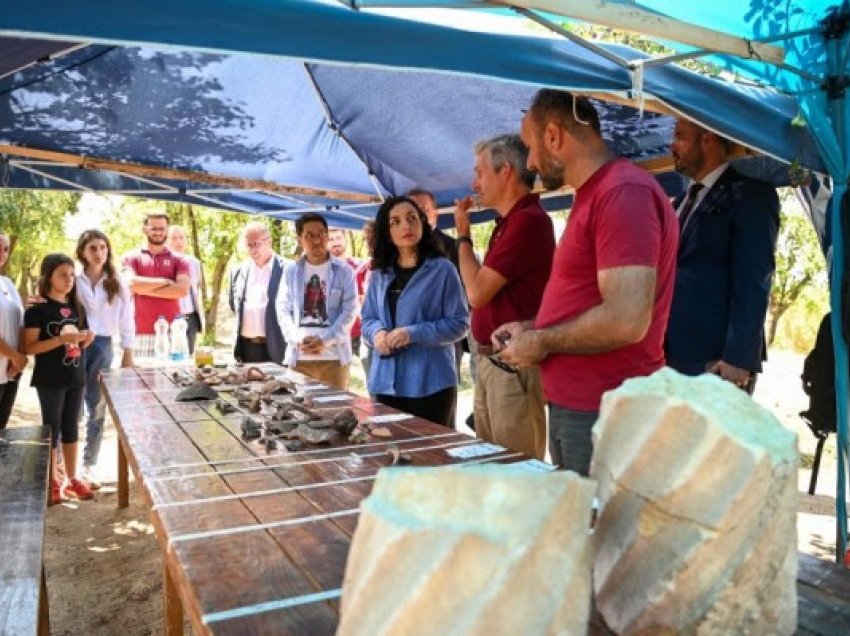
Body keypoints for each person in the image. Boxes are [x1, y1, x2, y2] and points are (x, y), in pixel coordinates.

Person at [495, 89, 678, 476]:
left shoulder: (622, 192)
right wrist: (533, 328)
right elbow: (587, 303)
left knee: (601, 534)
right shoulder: (596, 195)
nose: (528, 161)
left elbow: (627, 318)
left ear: (554, 136)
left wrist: (542, 341)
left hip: (604, 411)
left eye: (528, 147)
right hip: (582, 409)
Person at [453, 134, 554, 459]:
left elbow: (477, 292)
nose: (475, 182)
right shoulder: (510, 222)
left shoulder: (528, 221)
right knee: (492, 464)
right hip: (492, 363)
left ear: (506, 171)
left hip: (511, 365)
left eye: (480, 172)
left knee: (516, 468)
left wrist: (464, 236)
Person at [665, 118, 780, 393]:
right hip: (671, 356)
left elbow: (755, 277)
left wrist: (738, 356)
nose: (672, 145)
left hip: (716, 361)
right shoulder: (678, 204)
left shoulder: (750, 194)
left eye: (680, 136)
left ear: (707, 140)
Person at [362, 196, 469, 426]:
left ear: (423, 223)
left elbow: (460, 324)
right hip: (385, 381)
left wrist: (413, 333)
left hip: (430, 382)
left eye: (412, 218)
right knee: (390, 453)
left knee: (429, 457)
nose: (406, 226)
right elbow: (368, 319)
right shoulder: (379, 273)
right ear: (386, 231)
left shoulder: (443, 269)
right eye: (396, 221)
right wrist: (377, 333)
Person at [24, 253, 96, 503]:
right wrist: (58, 340)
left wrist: (86, 338)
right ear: (48, 277)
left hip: (75, 375)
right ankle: (52, 482)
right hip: (49, 378)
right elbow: (30, 347)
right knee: (51, 429)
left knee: (71, 427)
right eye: (62, 275)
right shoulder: (37, 310)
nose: (68, 280)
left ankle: (72, 478)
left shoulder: (77, 307)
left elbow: (80, 343)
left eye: (71, 275)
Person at [75, 229, 135, 488]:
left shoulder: (117, 282)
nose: (99, 253)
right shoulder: (74, 280)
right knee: (72, 407)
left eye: (103, 247)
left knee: (97, 407)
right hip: (76, 345)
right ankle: (65, 468)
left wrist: (128, 353)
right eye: (93, 249)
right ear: (82, 253)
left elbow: (127, 319)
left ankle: (90, 465)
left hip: (103, 347)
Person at [276, 212, 357, 390]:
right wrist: (296, 338)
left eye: (321, 234)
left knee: (334, 412)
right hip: (299, 357)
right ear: (300, 240)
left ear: (327, 236)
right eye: (310, 235)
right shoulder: (291, 271)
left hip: (334, 358)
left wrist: (325, 340)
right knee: (298, 411)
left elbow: (350, 310)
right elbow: (282, 309)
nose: (317, 240)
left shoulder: (344, 271)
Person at [121, 212, 190, 358]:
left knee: (174, 379)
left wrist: (142, 289)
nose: (158, 232)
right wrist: (165, 282)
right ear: (145, 229)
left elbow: (182, 290)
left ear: (167, 229)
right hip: (140, 332)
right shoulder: (132, 257)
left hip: (173, 332)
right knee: (140, 380)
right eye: (154, 228)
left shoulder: (179, 259)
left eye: (162, 228)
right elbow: (130, 284)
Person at [228, 221, 287, 364]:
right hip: (247, 348)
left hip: (277, 348)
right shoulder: (237, 272)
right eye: (249, 245)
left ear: (269, 242)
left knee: (278, 387)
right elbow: (233, 305)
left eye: (257, 244)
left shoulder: (288, 270)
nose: (253, 249)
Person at [0, 233, 27, 428]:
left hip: (11, 370)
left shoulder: (7, 283)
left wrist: (19, 358)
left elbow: (21, 322)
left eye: (5, 248)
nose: (2, 253)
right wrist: (15, 356)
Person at [167, 225, 204, 353]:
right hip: (171, 319)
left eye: (182, 238)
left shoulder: (195, 263)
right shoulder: (164, 263)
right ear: (167, 241)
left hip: (191, 318)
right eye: (174, 238)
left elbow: (196, 288)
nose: (179, 242)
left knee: (187, 358)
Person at [328, 228, 363, 359]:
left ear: (345, 240)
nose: (335, 242)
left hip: (358, 332)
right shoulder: (323, 270)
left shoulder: (360, 267)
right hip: (334, 332)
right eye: (331, 239)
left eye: (338, 238)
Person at [356, 220, 376, 380]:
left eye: (374, 238)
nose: (370, 244)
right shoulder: (363, 270)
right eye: (367, 239)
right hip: (369, 342)